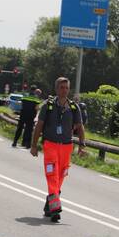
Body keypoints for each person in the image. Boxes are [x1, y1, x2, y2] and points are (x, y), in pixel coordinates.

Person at [30, 77, 86, 222]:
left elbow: (80, 127)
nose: (64, 90)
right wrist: (34, 145)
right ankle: (55, 208)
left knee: (60, 176)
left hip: (67, 147)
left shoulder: (74, 108)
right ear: (56, 89)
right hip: (50, 145)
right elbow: (39, 126)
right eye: (61, 87)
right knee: (52, 175)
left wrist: (81, 145)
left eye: (66, 88)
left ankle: (49, 204)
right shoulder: (48, 106)